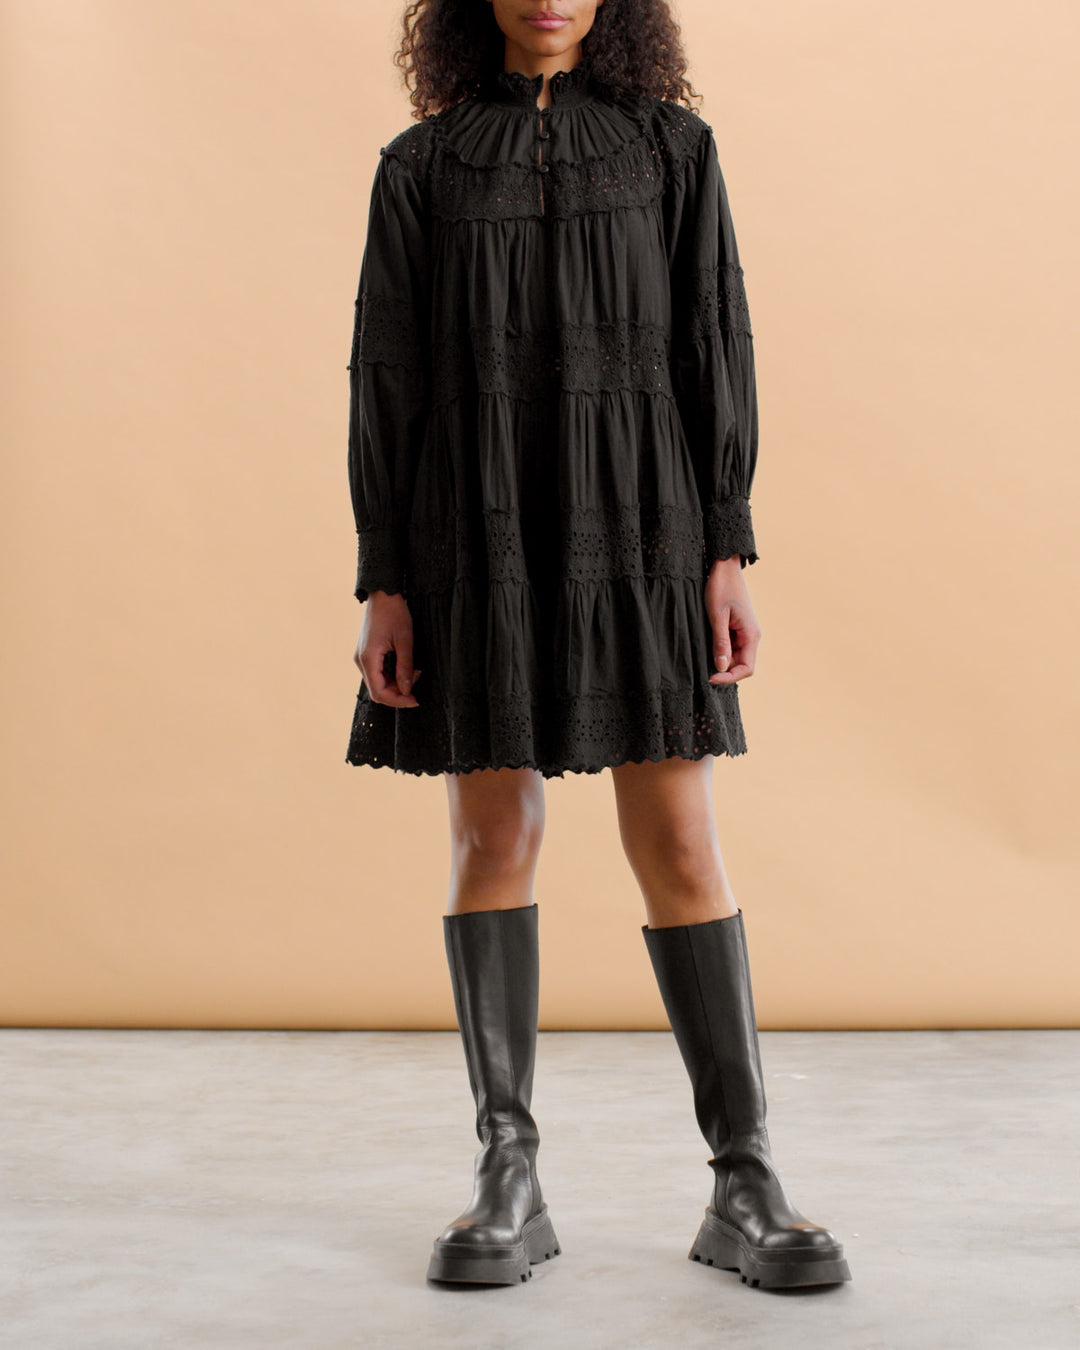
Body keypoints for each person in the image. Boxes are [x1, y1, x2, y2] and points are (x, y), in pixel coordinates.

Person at [344, 0, 852, 1291]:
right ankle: (507, 1176)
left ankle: (746, 1180)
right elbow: (386, 371)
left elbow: (713, 336)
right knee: (491, 836)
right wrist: (385, 579)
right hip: (475, 529)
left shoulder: (676, 150)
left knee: (678, 838)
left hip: (645, 522)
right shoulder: (421, 166)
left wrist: (726, 546)